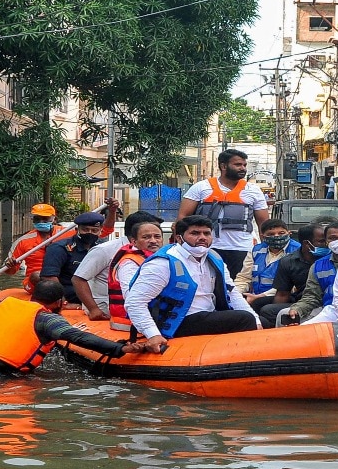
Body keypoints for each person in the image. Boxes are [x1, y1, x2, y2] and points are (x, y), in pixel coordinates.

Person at [125, 215, 262, 353]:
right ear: (179, 238)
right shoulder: (163, 263)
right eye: (195, 233)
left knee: (262, 319)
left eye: (206, 233)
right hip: (176, 322)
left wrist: (257, 321)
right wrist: (153, 334)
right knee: (244, 319)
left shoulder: (214, 259)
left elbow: (232, 293)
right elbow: (134, 302)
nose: (202, 237)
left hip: (207, 316)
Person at [0, 281, 141, 378]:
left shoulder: (5, 305)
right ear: (60, 302)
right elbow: (78, 337)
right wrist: (120, 348)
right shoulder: (46, 319)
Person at [176, 149, 269, 278]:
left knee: (238, 286)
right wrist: (181, 244)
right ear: (223, 166)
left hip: (242, 249)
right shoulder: (201, 187)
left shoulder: (253, 190)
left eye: (244, 165)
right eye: (238, 165)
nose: (243, 168)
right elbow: (182, 218)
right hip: (206, 247)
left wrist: (265, 250)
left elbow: (264, 225)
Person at [71, 211, 164, 318]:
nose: (153, 240)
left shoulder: (153, 252)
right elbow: (78, 279)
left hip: (138, 310)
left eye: (157, 235)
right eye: (148, 235)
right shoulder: (105, 250)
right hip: (105, 312)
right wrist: (94, 310)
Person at [257, 223, 328, 328]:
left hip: (326, 300)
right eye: (322, 241)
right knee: (262, 306)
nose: (327, 244)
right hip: (303, 301)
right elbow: (282, 294)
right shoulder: (289, 261)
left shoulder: (331, 259)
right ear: (306, 244)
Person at [287, 221, 338, 325]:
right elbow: (312, 297)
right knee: (286, 316)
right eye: (333, 238)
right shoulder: (318, 266)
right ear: (326, 242)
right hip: (329, 310)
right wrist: (297, 309)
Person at [40, 211, 106, 303]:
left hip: (100, 294)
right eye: (85, 230)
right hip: (70, 295)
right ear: (76, 229)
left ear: (100, 231)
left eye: (94, 231)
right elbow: (49, 277)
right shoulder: (59, 248)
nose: (89, 233)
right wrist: (63, 303)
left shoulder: (104, 248)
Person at [234, 219, 301, 308]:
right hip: (254, 296)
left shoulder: (298, 251)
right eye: (271, 234)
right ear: (263, 236)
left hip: (284, 297)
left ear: (289, 233)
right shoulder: (256, 250)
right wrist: (235, 294)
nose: (276, 236)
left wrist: (258, 297)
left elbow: (293, 286)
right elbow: (244, 278)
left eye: (281, 233)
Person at [6, 203, 69, 293]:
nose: (41, 222)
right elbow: (10, 272)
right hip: (36, 281)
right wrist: (9, 265)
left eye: (45, 219)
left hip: (63, 277)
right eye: (37, 219)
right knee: (37, 275)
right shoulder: (23, 241)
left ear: (54, 218)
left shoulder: (68, 233)